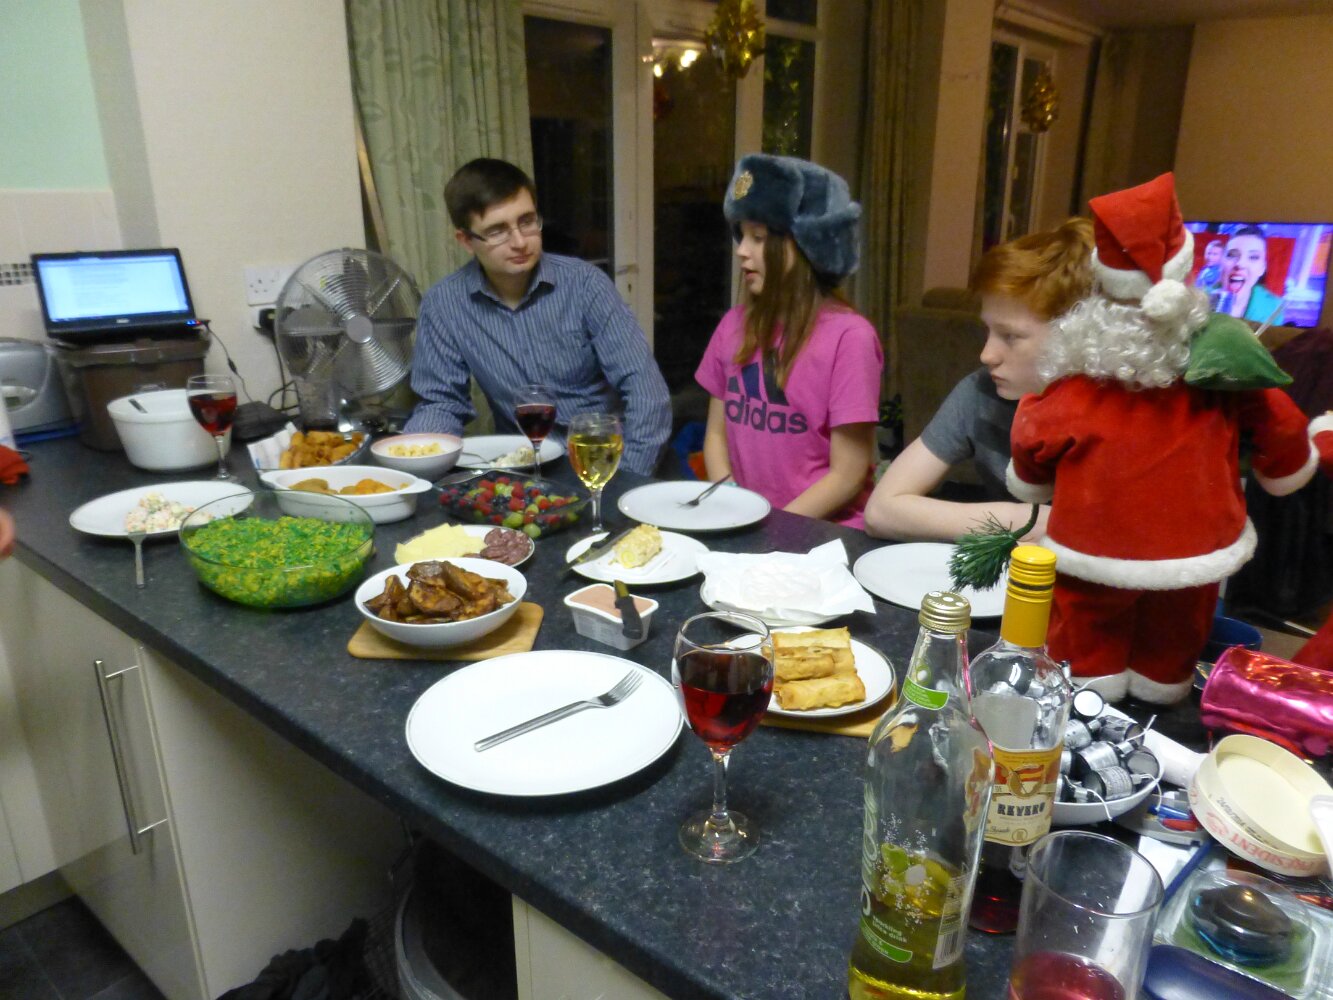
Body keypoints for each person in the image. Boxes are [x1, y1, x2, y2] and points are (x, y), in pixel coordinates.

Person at [1007, 173, 1323, 704]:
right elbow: (1285, 427)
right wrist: (1284, 466)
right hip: (1194, 551)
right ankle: (1161, 684)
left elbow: (1032, 440)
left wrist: (1034, 479)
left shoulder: (1072, 390)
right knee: (1176, 631)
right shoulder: (1226, 370)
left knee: (1086, 630)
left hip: (1093, 549)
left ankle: (1092, 687)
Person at [404, 158, 671, 476]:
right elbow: (441, 402)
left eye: (527, 221)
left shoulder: (585, 285)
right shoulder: (444, 304)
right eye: (497, 231)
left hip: (605, 459)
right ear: (466, 241)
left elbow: (646, 391)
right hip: (522, 468)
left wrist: (624, 479)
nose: (519, 242)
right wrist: (411, 463)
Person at [864, 218, 1093, 542]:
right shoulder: (980, 393)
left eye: (1010, 336)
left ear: (1077, 336)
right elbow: (881, 511)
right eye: (988, 330)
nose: (987, 355)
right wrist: (1027, 521)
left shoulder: (1123, 419)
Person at [694, 154, 882, 528]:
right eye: (742, 235)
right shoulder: (733, 325)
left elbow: (847, 475)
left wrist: (770, 529)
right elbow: (715, 436)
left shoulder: (850, 338)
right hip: (749, 527)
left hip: (822, 532)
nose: (741, 250)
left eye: (759, 237)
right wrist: (732, 507)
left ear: (807, 246)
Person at [1221, 225, 1286, 325]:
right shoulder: (1199, 299)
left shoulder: (1274, 308)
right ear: (1221, 262)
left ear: (1262, 268)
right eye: (1232, 255)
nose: (1240, 264)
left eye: (1253, 257)